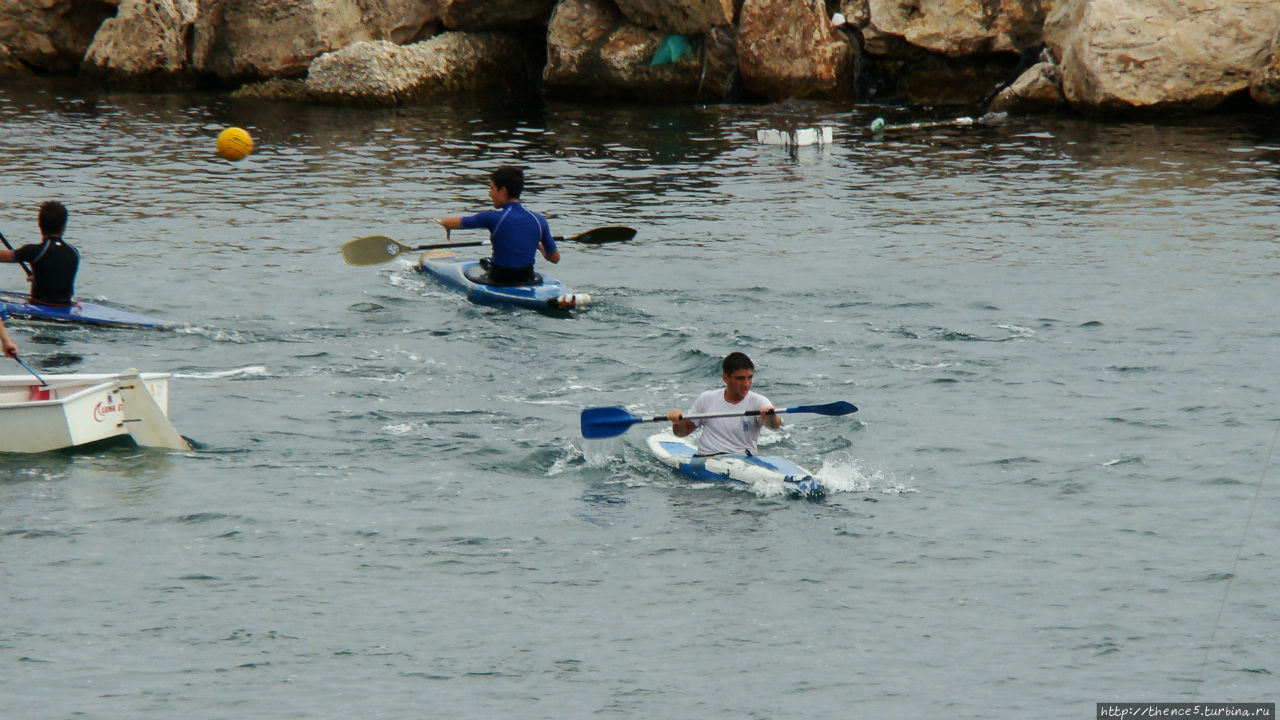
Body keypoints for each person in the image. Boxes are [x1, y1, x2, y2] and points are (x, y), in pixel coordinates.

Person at [433, 166, 559, 285]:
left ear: (503, 191)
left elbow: (454, 222)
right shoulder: (539, 220)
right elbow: (555, 258)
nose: (489, 193)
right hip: (527, 278)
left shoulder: (492, 217)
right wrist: (539, 246)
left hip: (498, 279)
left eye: (492, 188)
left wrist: (444, 223)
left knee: (485, 264)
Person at [666, 352, 781, 456]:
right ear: (725, 378)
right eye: (740, 378)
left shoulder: (759, 401)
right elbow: (681, 433)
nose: (746, 384)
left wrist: (770, 416)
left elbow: (774, 425)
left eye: (749, 378)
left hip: (743, 460)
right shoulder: (707, 398)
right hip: (706, 458)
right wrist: (677, 422)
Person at [0, 200, 80, 305]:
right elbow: (58, 276)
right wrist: (38, 278)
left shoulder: (34, 251)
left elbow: (4, 256)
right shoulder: (74, 252)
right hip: (66, 306)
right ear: (64, 226)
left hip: (39, 305)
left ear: (39, 224)